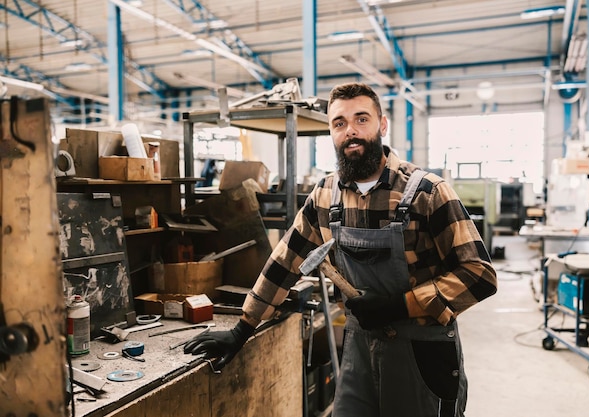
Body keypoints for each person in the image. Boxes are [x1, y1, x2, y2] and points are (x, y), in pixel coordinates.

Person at [184, 82, 498, 417]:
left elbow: (479, 274)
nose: (351, 131)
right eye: (339, 123)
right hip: (359, 349)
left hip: (420, 353)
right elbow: (284, 261)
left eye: (361, 119)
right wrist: (242, 328)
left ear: (382, 124)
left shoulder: (428, 192)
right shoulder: (325, 196)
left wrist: (401, 305)